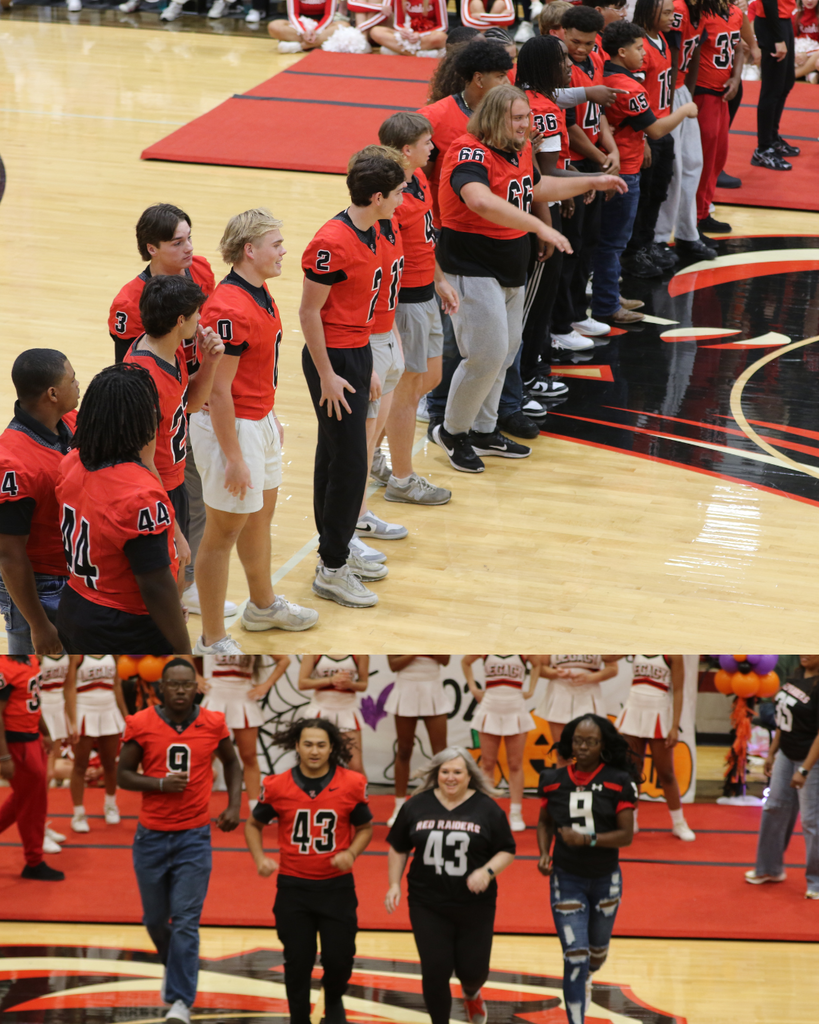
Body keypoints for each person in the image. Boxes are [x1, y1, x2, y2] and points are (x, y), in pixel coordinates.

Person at [433, 85, 624, 473]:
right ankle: (452, 431)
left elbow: (537, 187)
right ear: (493, 118)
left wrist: (591, 181)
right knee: (485, 353)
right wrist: (540, 226)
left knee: (504, 352)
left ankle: (485, 430)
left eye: (526, 116)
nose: (526, 124)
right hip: (470, 265)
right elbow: (480, 201)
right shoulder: (467, 150)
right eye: (517, 118)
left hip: (509, 264)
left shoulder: (519, 149)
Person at [194, 208, 318, 653]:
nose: (285, 250)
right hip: (232, 428)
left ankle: (262, 606)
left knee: (259, 518)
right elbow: (219, 391)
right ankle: (211, 639)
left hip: (256, 419)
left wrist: (269, 418)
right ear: (250, 250)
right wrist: (234, 456)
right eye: (277, 244)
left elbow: (255, 371)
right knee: (222, 533)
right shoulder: (229, 307)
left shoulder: (260, 292)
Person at [300, 149, 406, 609]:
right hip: (335, 358)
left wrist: (372, 364)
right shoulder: (331, 242)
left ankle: (334, 550)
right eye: (398, 193)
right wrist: (327, 374)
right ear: (378, 196)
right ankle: (333, 566)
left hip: (357, 352)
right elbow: (309, 312)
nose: (403, 200)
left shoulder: (376, 228)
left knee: (337, 455)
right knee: (347, 462)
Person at [118, 658, 242, 1024]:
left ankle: (180, 1002)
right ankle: (179, 970)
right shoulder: (141, 723)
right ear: (161, 688)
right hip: (151, 836)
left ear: (196, 686)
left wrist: (234, 804)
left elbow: (232, 764)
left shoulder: (213, 722)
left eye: (187, 684)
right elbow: (122, 775)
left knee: (186, 920)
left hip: (194, 836)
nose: (181, 690)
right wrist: (158, 784)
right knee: (156, 920)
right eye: (173, 684)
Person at [54, 363, 191, 655]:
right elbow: (154, 585)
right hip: (124, 627)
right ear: (142, 421)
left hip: (75, 604)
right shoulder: (138, 494)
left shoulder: (72, 462)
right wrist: (183, 648)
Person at [245, 718, 373, 1024]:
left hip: (337, 888)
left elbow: (365, 827)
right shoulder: (276, 785)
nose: (314, 750)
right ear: (297, 746)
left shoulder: (351, 783)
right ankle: (298, 1017)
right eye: (307, 744)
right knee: (298, 960)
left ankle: (334, 998)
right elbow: (253, 824)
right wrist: (260, 858)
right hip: (294, 888)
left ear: (332, 748)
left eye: (321, 744)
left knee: (339, 958)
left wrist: (352, 852)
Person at [385, 747, 516, 1024]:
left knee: (473, 970)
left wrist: (487, 871)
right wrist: (393, 884)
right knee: (435, 969)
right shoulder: (416, 805)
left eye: (458, 772)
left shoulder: (486, 808)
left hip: (474, 903)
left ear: (470, 776)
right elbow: (398, 847)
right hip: (427, 901)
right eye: (445, 772)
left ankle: (471, 993)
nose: (451, 778)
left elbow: (507, 850)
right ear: (436, 774)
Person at [590, 21, 698, 327]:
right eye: (639, 48)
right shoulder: (629, 87)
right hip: (624, 170)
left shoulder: (601, 72)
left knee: (606, 240)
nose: (644, 54)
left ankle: (607, 293)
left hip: (613, 164)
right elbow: (655, 128)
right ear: (622, 52)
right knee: (613, 242)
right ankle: (606, 304)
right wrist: (685, 110)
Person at [124, 274, 225, 597]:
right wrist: (175, 530)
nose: (201, 320)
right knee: (162, 585)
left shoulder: (170, 348)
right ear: (180, 321)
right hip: (156, 490)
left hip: (174, 479)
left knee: (176, 579)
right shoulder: (144, 377)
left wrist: (210, 362)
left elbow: (191, 402)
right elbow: (143, 461)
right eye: (196, 314)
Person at [537, 714, 640, 1024]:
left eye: (590, 742)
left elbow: (626, 836)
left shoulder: (619, 781)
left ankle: (588, 976)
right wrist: (544, 853)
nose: (582, 747)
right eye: (577, 741)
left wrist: (587, 839)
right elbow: (544, 822)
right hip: (566, 878)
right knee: (575, 955)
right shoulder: (551, 779)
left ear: (602, 745)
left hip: (605, 879)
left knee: (596, 954)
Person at [377, 113, 458, 507]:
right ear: (406, 150)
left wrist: (440, 279)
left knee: (428, 378)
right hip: (405, 302)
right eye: (427, 143)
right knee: (406, 393)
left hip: (427, 290)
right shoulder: (391, 198)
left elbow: (424, 241)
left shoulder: (420, 178)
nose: (433, 148)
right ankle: (402, 479)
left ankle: (374, 448)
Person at [0, 349, 79, 655]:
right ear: (53, 393)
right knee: (34, 683)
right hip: (41, 588)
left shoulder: (69, 421)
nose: (78, 385)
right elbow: (9, 556)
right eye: (72, 380)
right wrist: (38, 624)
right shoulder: (13, 464)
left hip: (75, 574)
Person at [746, 655, 819, 898]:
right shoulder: (796, 676)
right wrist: (772, 752)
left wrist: (805, 769)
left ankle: (816, 881)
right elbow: (782, 721)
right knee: (774, 808)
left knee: (811, 821)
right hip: (786, 754)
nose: (804, 653)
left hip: (811, 758)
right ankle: (769, 868)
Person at [109, 203, 215, 367]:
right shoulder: (129, 303)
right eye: (177, 243)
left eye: (189, 237)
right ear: (152, 249)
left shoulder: (201, 269)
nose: (189, 248)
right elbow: (127, 370)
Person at [654, 0, 717, 263]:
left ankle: (687, 233)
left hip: (680, 92)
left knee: (692, 163)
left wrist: (687, 95)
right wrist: (669, 106)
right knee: (673, 170)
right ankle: (658, 238)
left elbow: (694, 58)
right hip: (665, 92)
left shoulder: (701, 10)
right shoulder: (677, 9)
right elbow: (672, 57)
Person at [621, 0, 679, 278]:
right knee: (642, 196)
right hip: (647, 132)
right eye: (666, 12)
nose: (673, 16)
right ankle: (633, 253)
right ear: (648, 12)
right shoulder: (639, 48)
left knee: (657, 192)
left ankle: (647, 244)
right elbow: (635, 95)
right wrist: (643, 138)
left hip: (663, 127)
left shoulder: (662, 40)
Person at [614, 655, 695, 841]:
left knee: (666, 772)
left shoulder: (673, 654)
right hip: (634, 709)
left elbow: (679, 690)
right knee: (632, 771)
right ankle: (631, 819)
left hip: (659, 711)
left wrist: (674, 726)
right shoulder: (637, 644)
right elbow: (607, 656)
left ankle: (679, 823)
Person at [0, 654, 64, 881]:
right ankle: (34, 861)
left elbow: (33, 701)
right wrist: (3, 756)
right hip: (15, 742)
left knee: (25, 796)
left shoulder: (30, 659)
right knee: (33, 802)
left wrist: (44, 731)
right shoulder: (4, 666)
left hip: (32, 735)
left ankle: (34, 858)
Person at [200, 654, 290, 807]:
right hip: (214, 696)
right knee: (205, 756)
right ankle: (197, 802)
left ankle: (255, 806)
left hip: (243, 697)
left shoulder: (251, 639)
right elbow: (182, 653)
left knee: (249, 756)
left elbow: (285, 659)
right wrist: (196, 677)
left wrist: (266, 685)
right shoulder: (216, 636)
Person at [463, 655, 540, 831]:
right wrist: (473, 687)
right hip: (490, 705)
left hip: (515, 706)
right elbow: (465, 661)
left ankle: (515, 811)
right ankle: (485, 810)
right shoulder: (487, 646)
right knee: (488, 763)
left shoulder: (524, 649)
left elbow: (537, 665)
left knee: (515, 764)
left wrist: (531, 690)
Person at [694, 1, 744, 231]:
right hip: (702, 92)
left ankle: (703, 208)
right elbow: (689, 51)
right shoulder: (700, 13)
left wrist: (736, 77)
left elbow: (739, 47)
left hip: (722, 92)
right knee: (701, 157)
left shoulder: (735, 12)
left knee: (718, 156)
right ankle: (697, 213)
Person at [64, 655, 128, 833]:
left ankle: (110, 804)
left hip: (109, 711)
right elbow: (69, 688)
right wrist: (73, 720)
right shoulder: (77, 654)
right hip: (84, 711)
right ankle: (78, 813)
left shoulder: (112, 653)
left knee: (110, 763)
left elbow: (116, 686)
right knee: (79, 766)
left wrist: (126, 716)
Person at [385, 655, 451, 825]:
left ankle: (443, 803)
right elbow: (393, 664)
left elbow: (445, 659)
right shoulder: (396, 628)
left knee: (441, 754)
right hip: (406, 686)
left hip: (433, 686)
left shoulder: (439, 628)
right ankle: (399, 806)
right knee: (404, 749)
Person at [536, 656, 618, 760]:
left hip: (589, 694)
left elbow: (613, 668)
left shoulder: (600, 639)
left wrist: (590, 677)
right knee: (563, 754)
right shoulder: (551, 640)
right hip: (559, 694)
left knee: (592, 754)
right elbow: (539, 667)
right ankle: (564, 776)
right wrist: (556, 673)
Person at [298, 655, 370, 774]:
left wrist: (350, 684)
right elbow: (302, 683)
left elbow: (363, 684)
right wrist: (330, 680)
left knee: (355, 766)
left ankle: (363, 793)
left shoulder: (360, 652)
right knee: (313, 763)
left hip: (347, 710)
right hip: (320, 710)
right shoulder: (314, 650)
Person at [752, 0, 800, 168]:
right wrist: (778, 37)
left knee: (786, 82)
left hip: (783, 20)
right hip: (771, 22)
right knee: (772, 88)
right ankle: (763, 148)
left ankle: (772, 138)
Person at [368, 0, 449, 55]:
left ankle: (397, 50)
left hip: (428, 36)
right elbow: (398, 24)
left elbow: (443, 26)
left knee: (442, 37)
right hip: (408, 36)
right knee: (375, 31)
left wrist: (419, 35)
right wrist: (403, 31)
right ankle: (420, 54)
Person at [39, 654, 70, 787]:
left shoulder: (70, 654)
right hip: (41, 707)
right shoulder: (37, 655)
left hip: (59, 706)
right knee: (42, 762)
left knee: (53, 763)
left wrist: (71, 719)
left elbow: (69, 687)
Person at [267, 0, 344, 52]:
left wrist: (316, 31)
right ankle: (318, 43)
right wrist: (303, 31)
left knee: (344, 25)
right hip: (299, 26)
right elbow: (293, 14)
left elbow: (329, 15)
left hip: (322, 28)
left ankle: (299, 46)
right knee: (274, 26)